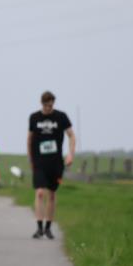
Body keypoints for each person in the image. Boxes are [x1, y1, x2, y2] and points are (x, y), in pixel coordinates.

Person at [28, 91, 75, 239]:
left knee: (52, 194)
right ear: (42, 104)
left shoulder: (61, 117)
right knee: (40, 192)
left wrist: (70, 154)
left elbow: (71, 135)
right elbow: (29, 139)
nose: (49, 108)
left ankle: (48, 227)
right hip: (39, 161)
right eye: (47, 105)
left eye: (51, 105)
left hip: (55, 162)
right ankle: (39, 227)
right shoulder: (34, 117)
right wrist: (30, 159)